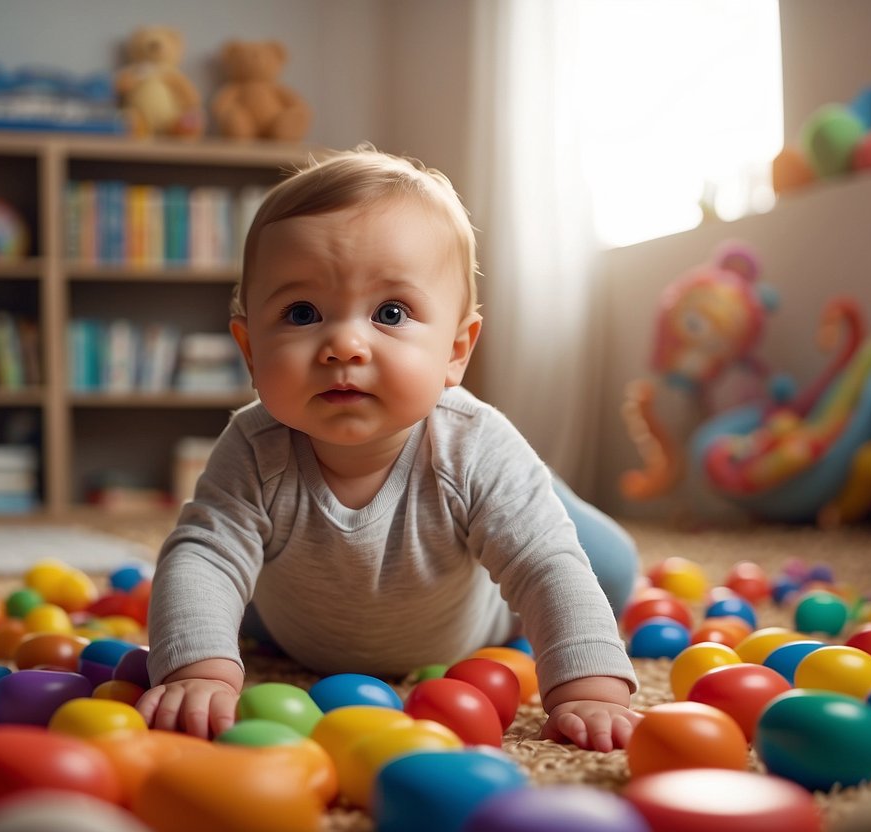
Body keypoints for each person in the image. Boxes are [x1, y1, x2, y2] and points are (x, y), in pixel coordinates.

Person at [137, 147, 641, 752]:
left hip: (472, 619)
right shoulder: (253, 446)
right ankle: (525, 492)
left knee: (600, 564)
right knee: (217, 602)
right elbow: (206, 559)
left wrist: (588, 688)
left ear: (456, 351)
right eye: (302, 313)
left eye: (390, 312)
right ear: (250, 350)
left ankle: (538, 492)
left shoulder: (471, 443)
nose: (345, 344)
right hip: (294, 620)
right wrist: (197, 670)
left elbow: (545, 566)